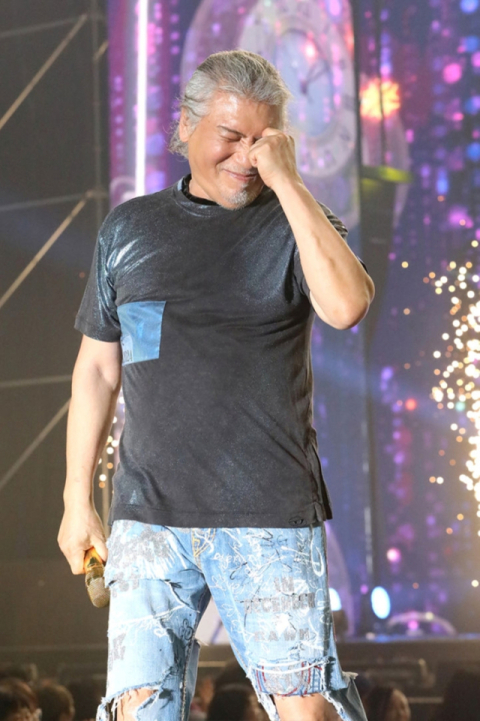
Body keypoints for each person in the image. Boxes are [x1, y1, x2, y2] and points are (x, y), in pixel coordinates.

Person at [58, 49, 374, 721]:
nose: (247, 156)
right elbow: (97, 369)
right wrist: (75, 498)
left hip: (268, 510)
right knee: (139, 710)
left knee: (306, 710)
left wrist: (290, 182)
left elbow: (347, 305)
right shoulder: (129, 229)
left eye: (264, 139)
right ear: (185, 126)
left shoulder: (295, 223)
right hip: (148, 514)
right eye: (232, 136)